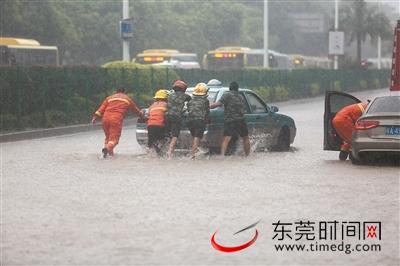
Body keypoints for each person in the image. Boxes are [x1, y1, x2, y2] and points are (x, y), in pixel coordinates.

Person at [92, 85, 143, 158]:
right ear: (124, 92)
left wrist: (95, 117)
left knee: (108, 138)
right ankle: (106, 149)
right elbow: (135, 110)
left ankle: (109, 155)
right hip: (116, 119)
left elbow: (101, 109)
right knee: (114, 139)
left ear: (116, 91)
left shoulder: (109, 98)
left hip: (105, 119)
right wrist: (141, 115)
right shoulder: (127, 99)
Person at [210, 81, 251, 156]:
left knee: (226, 138)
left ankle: (222, 156)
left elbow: (218, 104)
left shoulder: (227, 95)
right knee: (246, 137)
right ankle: (247, 155)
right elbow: (243, 109)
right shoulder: (240, 96)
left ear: (230, 88)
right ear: (237, 89)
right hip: (241, 120)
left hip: (231, 120)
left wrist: (207, 106)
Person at [166, 80, 191, 159]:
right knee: (175, 136)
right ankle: (170, 153)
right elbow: (191, 104)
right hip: (176, 117)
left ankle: (163, 149)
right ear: (184, 89)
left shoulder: (169, 96)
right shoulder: (185, 96)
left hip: (167, 116)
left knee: (167, 134)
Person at [187, 83, 210, 159]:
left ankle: (195, 152)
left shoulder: (190, 101)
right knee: (197, 138)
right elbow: (207, 112)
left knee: (195, 138)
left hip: (190, 122)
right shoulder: (205, 101)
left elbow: (189, 110)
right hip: (199, 121)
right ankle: (193, 155)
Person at [147, 89, 168, 155]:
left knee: (151, 142)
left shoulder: (152, 106)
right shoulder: (166, 104)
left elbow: (148, 114)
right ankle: (159, 149)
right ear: (165, 98)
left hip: (150, 125)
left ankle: (151, 154)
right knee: (162, 139)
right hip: (160, 125)